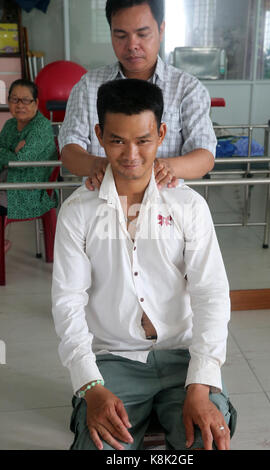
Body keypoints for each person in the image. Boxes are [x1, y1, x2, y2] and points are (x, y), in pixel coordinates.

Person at [52, 78, 236, 451]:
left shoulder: (187, 207)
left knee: (207, 441)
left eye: (143, 140)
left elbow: (211, 295)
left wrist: (201, 383)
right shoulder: (77, 212)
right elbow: (67, 302)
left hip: (183, 358)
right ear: (100, 135)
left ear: (162, 133)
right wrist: (91, 384)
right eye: (118, 140)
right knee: (100, 447)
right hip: (114, 361)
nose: (131, 154)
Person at [58, 0, 216, 191]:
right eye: (121, 35)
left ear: (161, 29)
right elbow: (69, 150)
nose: (132, 45)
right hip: (101, 207)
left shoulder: (187, 89)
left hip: (163, 210)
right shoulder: (88, 87)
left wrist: (167, 167)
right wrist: (99, 166)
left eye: (143, 34)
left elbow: (205, 156)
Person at [0, 79, 58, 252]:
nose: (20, 105)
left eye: (26, 100)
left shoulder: (41, 127)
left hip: (31, 190)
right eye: (14, 99)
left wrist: (9, 155)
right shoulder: (10, 124)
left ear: (36, 103)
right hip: (8, 182)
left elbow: (20, 163)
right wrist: (12, 154)